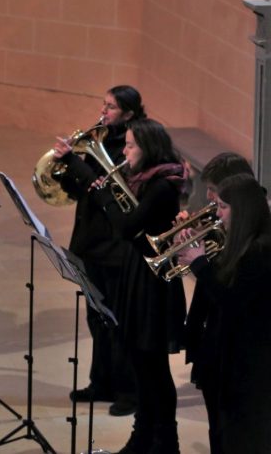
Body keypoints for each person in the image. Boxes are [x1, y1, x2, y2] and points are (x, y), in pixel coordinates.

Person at [91, 118, 187, 454]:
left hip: (153, 283)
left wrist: (105, 197)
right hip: (138, 274)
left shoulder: (161, 185)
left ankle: (165, 442)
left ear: (147, 147)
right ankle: (143, 436)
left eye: (131, 145)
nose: (125, 150)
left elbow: (127, 226)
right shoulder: (145, 179)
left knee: (154, 367)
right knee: (141, 364)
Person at [52, 85, 143, 416]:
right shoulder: (99, 139)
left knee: (118, 320)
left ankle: (129, 391)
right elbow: (83, 188)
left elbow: (103, 187)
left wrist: (79, 164)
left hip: (115, 246)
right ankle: (101, 382)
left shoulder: (135, 145)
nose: (103, 112)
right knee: (96, 317)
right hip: (91, 242)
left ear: (130, 114)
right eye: (103, 105)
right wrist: (65, 169)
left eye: (111, 108)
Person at [177, 173, 271, 453]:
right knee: (222, 430)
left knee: (241, 436)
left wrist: (200, 265)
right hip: (228, 355)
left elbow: (231, 302)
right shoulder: (241, 241)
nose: (217, 215)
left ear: (241, 210)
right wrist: (201, 251)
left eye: (223, 207)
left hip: (249, 364)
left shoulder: (261, 250)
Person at [181, 152, 254, 389]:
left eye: (213, 190)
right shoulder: (221, 217)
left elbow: (229, 288)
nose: (209, 197)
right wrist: (190, 242)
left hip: (233, 341)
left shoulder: (252, 232)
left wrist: (200, 261)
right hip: (210, 328)